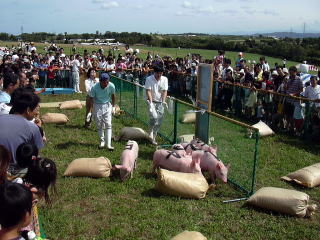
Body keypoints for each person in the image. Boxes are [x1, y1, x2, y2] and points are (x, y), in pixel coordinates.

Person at [0, 89, 44, 167]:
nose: (37, 113)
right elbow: (35, 157)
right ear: (28, 110)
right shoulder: (32, 128)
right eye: (36, 109)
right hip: (10, 171)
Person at [89, 73, 116, 150]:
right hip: (97, 105)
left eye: (107, 82)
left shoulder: (111, 85)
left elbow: (113, 96)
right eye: (104, 82)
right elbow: (91, 99)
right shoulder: (94, 87)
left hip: (107, 105)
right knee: (99, 124)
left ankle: (108, 144)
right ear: (100, 81)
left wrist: (113, 106)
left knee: (108, 124)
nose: (106, 84)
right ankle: (102, 141)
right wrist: (91, 111)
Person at [145, 65, 168, 145]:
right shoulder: (149, 79)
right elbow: (148, 90)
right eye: (158, 73)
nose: (159, 75)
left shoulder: (165, 79)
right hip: (151, 100)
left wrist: (163, 101)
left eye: (161, 73)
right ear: (154, 72)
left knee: (160, 120)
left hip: (160, 102)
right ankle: (150, 130)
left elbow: (164, 91)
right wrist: (151, 102)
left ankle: (154, 137)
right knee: (154, 117)